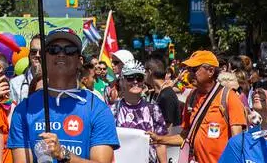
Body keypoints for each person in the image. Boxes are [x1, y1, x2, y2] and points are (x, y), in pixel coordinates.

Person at [9, 28, 118, 163]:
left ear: (80, 61)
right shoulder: (23, 110)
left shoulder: (98, 109)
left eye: (70, 50)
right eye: (53, 49)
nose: (61, 54)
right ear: (43, 59)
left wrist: (64, 154)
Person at [152, 51, 245, 163]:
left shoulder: (229, 97)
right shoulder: (191, 97)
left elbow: (237, 143)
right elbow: (185, 137)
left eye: (194, 70)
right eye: (189, 69)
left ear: (210, 71)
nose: (189, 74)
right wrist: (160, 139)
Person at [113, 61, 167, 163]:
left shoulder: (154, 109)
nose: (135, 81)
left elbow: (160, 143)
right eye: (130, 77)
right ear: (122, 81)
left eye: (139, 78)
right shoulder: (113, 110)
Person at [10, 36, 42, 105]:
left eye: (41, 52)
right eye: (34, 51)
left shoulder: (56, 82)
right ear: (29, 54)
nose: (37, 55)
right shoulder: (15, 83)